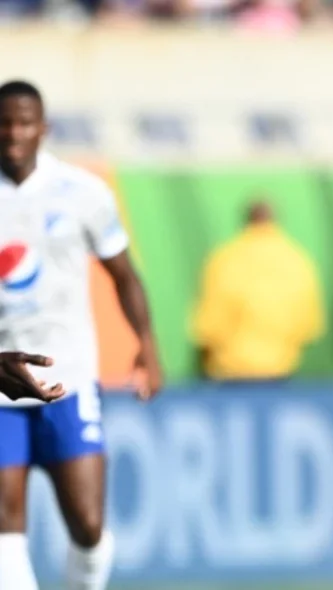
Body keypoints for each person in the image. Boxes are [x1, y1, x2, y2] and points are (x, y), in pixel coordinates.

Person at [0, 80, 164, 590]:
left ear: (43, 128)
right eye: (4, 122)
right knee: (5, 530)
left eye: (24, 122)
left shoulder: (83, 192)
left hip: (67, 380)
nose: (13, 133)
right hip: (0, 386)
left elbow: (124, 275)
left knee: (88, 527)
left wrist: (147, 345)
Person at [190, 199, 325, 382]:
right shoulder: (298, 260)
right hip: (280, 370)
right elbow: (309, 326)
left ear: (247, 220)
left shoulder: (224, 259)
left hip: (230, 372)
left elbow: (208, 326)